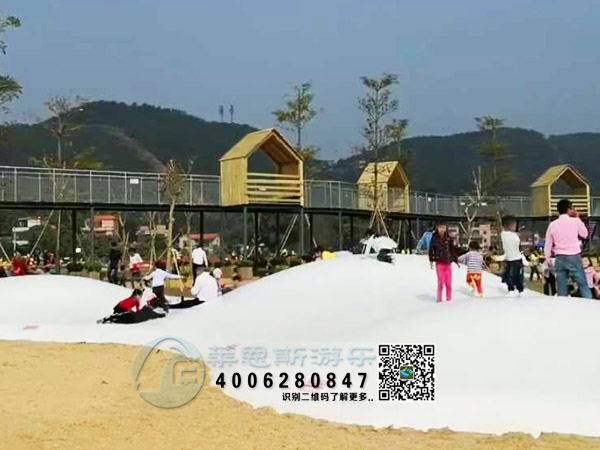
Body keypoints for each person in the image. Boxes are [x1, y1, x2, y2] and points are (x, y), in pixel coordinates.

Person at [544, 199, 591, 298]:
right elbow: (585, 234)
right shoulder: (575, 221)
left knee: (562, 288)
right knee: (583, 285)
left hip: (559, 257)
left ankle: (563, 306)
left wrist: (547, 259)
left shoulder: (552, 224)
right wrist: (578, 218)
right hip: (574, 256)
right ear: (568, 209)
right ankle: (589, 304)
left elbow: (548, 244)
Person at [428, 222, 458, 302]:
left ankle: (449, 299)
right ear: (437, 228)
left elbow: (452, 250)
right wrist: (431, 259)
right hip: (440, 263)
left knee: (448, 283)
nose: (442, 229)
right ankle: (439, 299)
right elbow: (431, 249)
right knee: (441, 282)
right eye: (440, 227)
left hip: (448, 263)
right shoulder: (434, 238)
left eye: (443, 228)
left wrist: (455, 259)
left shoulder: (449, 238)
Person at [496, 216, 524, 297]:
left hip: (515, 259)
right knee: (510, 275)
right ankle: (517, 289)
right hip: (511, 259)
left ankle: (515, 289)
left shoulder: (511, 235)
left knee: (511, 275)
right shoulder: (507, 234)